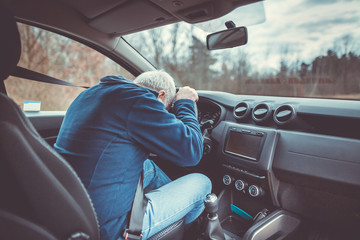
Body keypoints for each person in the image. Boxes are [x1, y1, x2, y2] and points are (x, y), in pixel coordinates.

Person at [54, 70, 212, 240]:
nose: (164, 116)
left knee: (148, 166)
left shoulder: (88, 95)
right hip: (108, 229)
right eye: (165, 111)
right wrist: (186, 103)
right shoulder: (140, 100)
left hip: (69, 210)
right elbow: (192, 152)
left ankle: (174, 206)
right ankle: (182, 231)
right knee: (202, 182)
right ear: (161, 95)